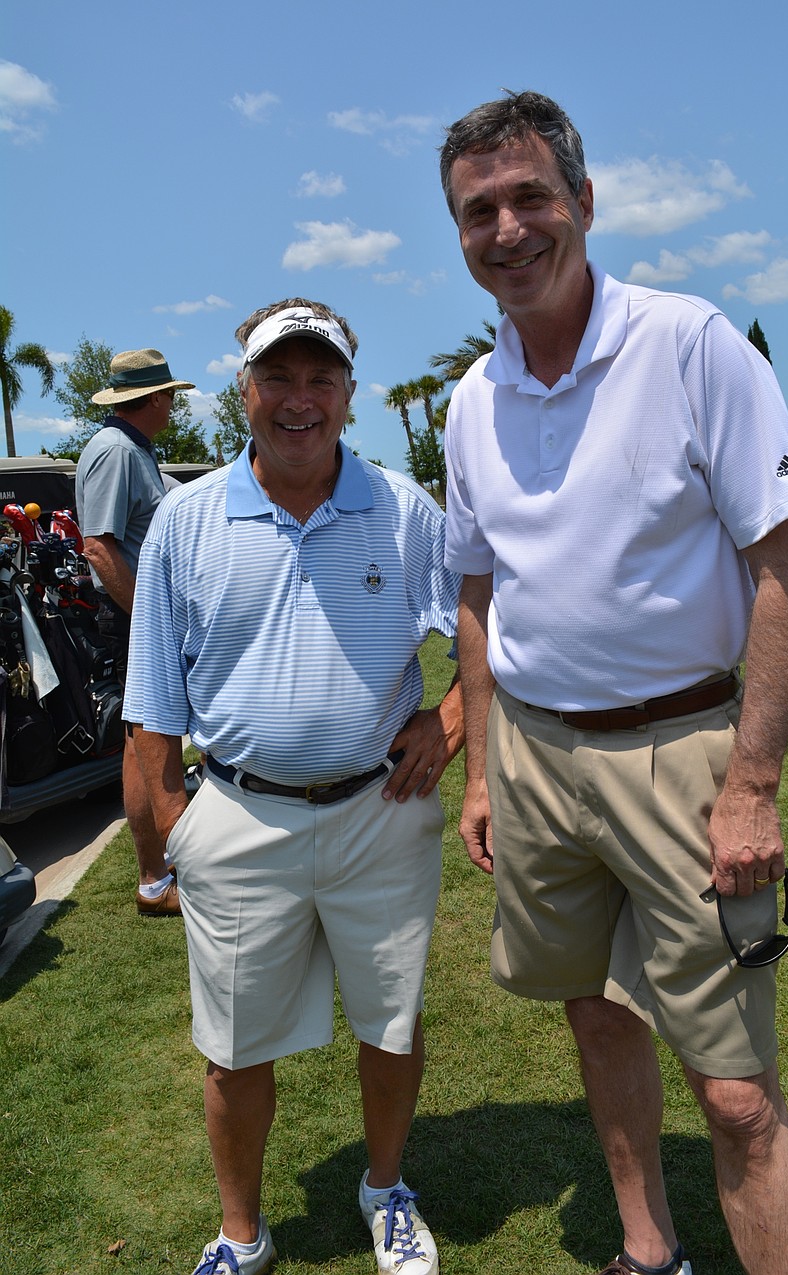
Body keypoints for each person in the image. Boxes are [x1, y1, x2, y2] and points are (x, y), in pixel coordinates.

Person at [439, 91, 788, 1275]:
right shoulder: (468, 400)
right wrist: (485, 772)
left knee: (736, 1094)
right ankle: (648, 1250)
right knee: (596, 1017)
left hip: (682, 757)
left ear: (584, 202)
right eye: (477, 211)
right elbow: (478, 594)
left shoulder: (690, 344)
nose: (507, 230)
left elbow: (785, 572)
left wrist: (750, 785)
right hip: (539, 760)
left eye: (529, 198)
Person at [123, 299, 463, 1275]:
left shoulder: (402, 510)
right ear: (245, 390)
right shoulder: (186, 521)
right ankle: (241, 1233)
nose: (299, 399)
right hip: (237, 814)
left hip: (380, 813)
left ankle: (383, 1189)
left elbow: (488, 625)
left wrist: (444, 725)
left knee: (391, 1025)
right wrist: (177, 832)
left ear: (349, 397)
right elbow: (153, 707)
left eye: (322, 379)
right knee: (234, 1048)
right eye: (279, 377)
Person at [76, 349, 195, 916]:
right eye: (169, 395)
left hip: (137, 620)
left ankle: (162, 869)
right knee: (143, 744)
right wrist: (147, 617)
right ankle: (152, 880)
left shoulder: (134, 452)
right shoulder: (116, 452)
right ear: (151, 399)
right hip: (130, 622)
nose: (173, 405)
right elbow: (97, 546)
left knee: (151, 740)